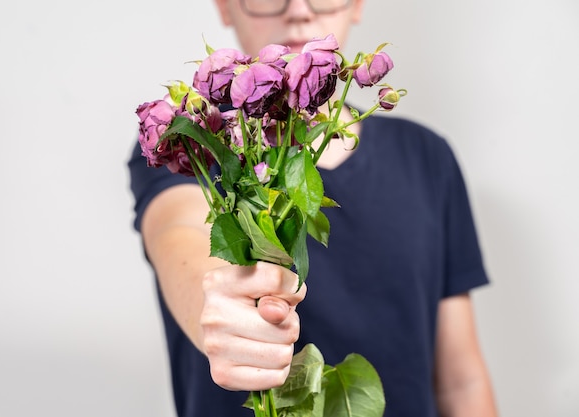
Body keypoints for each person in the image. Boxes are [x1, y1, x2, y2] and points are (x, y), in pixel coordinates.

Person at [128, 0, 498, 416]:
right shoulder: (197, 143)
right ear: (226, 7)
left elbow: (461, 383)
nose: (299, 11)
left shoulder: (426, 157)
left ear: (357, 4)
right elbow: (177, 233)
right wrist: (212, 310)